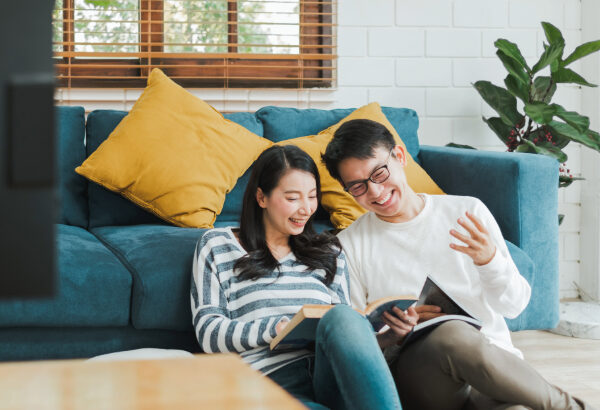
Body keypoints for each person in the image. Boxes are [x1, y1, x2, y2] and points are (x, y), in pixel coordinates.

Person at [321, 119, 592, 410]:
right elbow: (357, 344)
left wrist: (490, 262)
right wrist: (394, 335)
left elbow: (514, 306)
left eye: (379, 173)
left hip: (492, 371)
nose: (375, 192)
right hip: (424, 381)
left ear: (399, 157)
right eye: (358, 187)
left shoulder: (466, 212)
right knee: (451, 334)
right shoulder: (349, 244)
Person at [191, 144, 402, 410]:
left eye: (312, 196)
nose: (306, 209)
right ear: (261, 197)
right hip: (272, 382)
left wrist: (388, 336)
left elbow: (345, 332)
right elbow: (209, 333)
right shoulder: (218, 245)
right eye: (292, 198)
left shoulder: (330, 251)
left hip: (332, 376)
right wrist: (276, 328)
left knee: (342, 315)